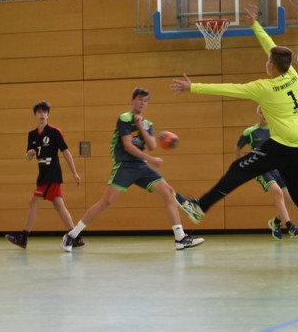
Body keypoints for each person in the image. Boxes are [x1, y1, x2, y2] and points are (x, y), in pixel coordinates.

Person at [170, 5, 298, 259]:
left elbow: (229, 88)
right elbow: (271, 45)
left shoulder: (263, 88)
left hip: (283, 145)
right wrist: (255, 25)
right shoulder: (293, 74)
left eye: (268, 60)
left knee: (239, 169)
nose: (266, 60)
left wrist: (193, 88)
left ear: (272, 66)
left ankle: (199, 208)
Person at [60, 87, 204, 252]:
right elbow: (128, 146)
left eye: (145, 100)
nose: (142, 103)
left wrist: (141, 126)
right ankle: (72, 235)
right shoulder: (124, 118)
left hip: (141, 166)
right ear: (133, 100)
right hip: (124, 165)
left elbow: (151, 145)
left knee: (168, 192)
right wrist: (152, 159)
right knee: (106, 202)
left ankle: (180, 238)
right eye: (140, 99)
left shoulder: (148, 124)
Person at [5, 101, 84, 249]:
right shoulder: (32, 135)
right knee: (59, 205)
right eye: (39, 112)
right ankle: (76, 237)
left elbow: (66, 152)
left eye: (45, 112)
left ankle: (23, 237)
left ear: (48, 115)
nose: (42, 114)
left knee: (34, 202)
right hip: (42, 175)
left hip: (52, 173)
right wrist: (29, 155)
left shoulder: (54, 132)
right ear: (35, 115)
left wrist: (74, 172)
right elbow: (28, 158)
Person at [237, 105, 298, 240]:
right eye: (262, 113)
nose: (264, 116)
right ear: (258, 114)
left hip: (276, 169)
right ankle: (291, 227)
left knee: (290, 201)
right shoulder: (250, 132)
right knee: (277, 192)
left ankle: (276, 223)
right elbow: (238, 147)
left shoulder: (275, 130)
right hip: (260, 169)